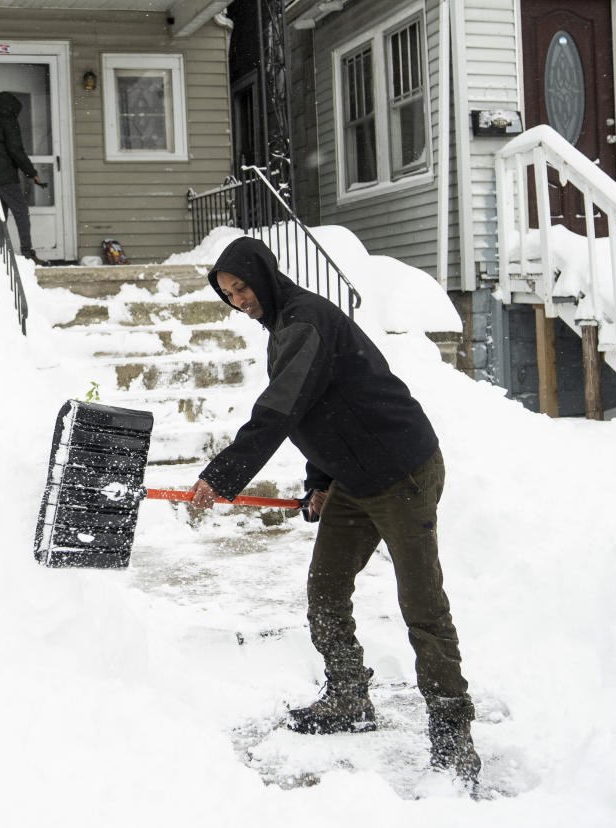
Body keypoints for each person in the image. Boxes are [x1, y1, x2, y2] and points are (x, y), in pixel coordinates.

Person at [188, 237, 481, 787]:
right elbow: (322, 407)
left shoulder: (305, 322)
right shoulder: (287, 325)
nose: (239, 301)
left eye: (242, 288)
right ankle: (348, 697)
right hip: (354, 476)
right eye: (229, 295)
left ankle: (452, 733)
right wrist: (321, 482)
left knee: (422, 605)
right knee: (325, 588)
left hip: (401, 471)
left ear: (264, 276)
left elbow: (280, 410)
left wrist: (223, 474)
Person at [0, 91, 47, 265]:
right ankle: (27, 253)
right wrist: (32, 173)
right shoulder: (9, 123)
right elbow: (16, 151)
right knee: (21, 213)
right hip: (7, 178)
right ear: (11, 107)